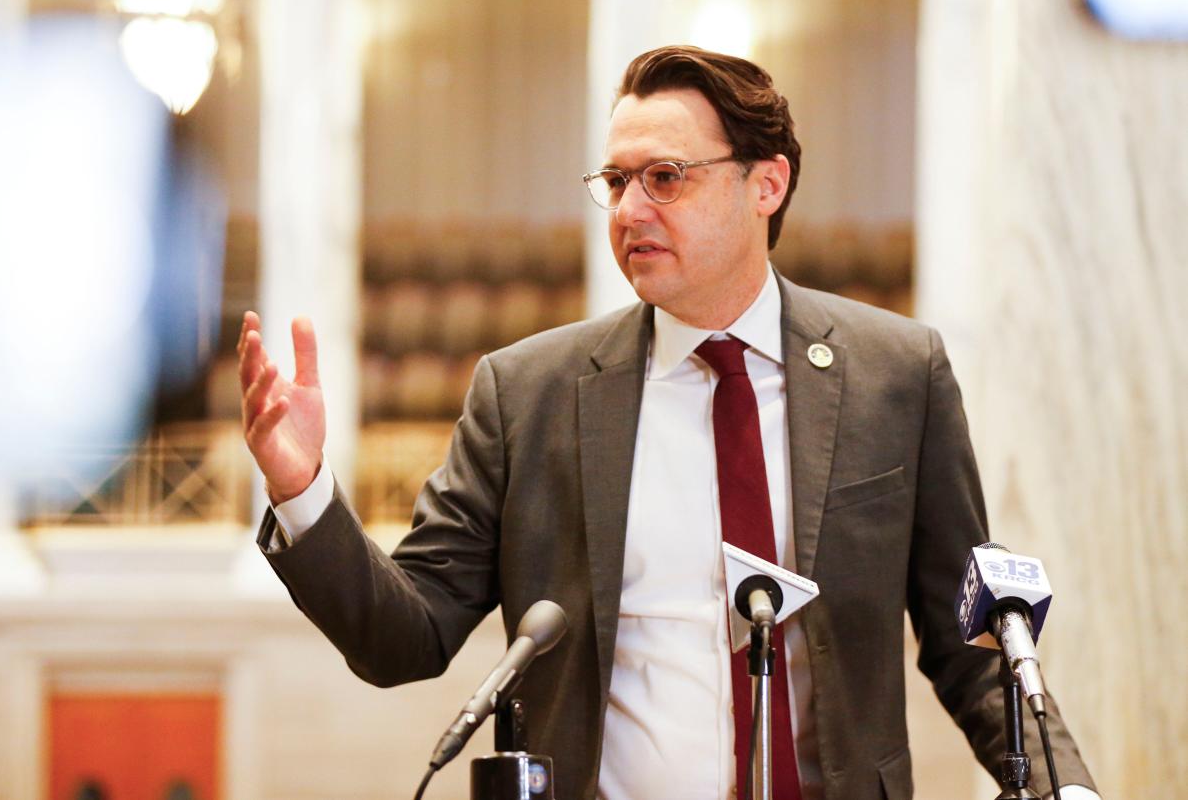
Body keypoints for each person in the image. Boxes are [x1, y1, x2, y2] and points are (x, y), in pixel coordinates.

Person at [238, 46, 1099, 800]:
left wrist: (1070, 788)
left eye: (664, 178)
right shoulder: (527, 392)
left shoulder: (896, 374)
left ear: (767, 183)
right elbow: (406, 638)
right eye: (615, 182)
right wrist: (301, 489)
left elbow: (975, 646)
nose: (627, 210)